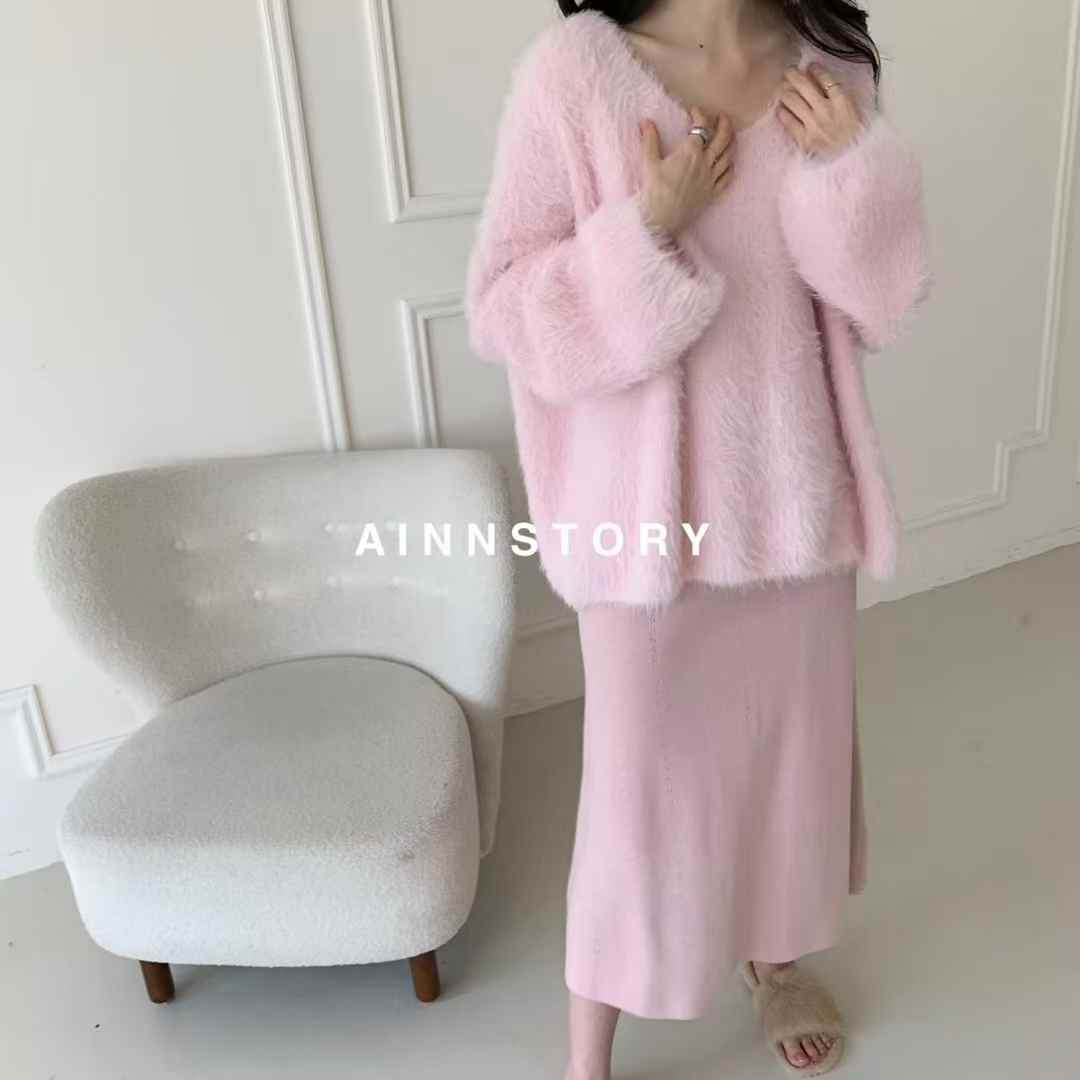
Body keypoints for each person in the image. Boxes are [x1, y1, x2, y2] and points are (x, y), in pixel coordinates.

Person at [464, 1, 931, 1076]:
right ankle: (589, 1054)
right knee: (634, 807)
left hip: (796, 513)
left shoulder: (829, 66)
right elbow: (505, 307)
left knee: (787, 776)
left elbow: (878, 308)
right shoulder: (574, 75)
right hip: (648, 540)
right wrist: (645, 228)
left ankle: (775, 964)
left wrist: (849, 172)